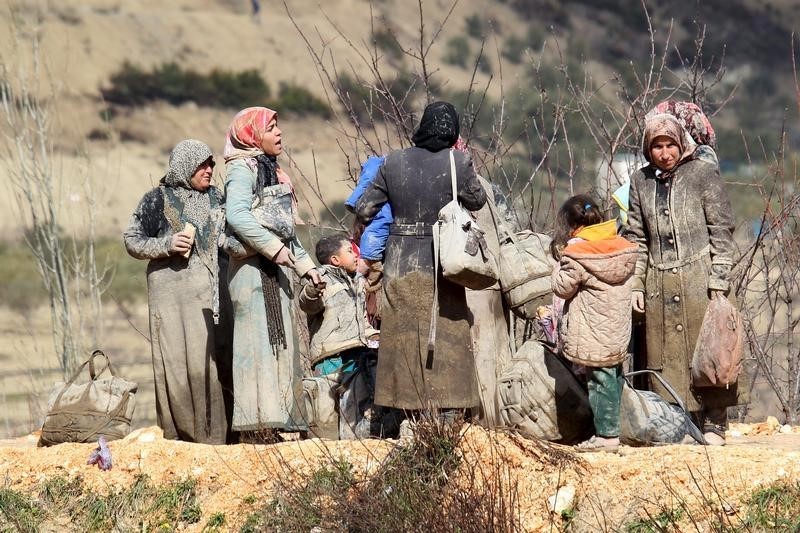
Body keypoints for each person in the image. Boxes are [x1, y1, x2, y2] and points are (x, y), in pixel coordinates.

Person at [354, 101, 486, 424]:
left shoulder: (392, 162)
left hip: (400, 263)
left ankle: (400, 413)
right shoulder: (459, 162)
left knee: (402, 336)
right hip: (443, 263)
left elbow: (363, 209)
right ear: (453, 131)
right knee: (448, 334)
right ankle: (448, 410)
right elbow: (478, 199)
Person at [624, 113, 737, 446]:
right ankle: (676, 424)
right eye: (656, 146)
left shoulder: (703, 175)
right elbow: (637, 238)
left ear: (681, 143)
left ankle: (714, 423)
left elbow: (721, 229)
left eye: (669, 144)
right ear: (648, 148)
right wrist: (636, 284)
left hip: (698, 282)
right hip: (659, 286)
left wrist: (719, 279)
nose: (664, 152)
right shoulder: (639, 182)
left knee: (709, 354)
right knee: (664, 358)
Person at [123, 139, 232, 444]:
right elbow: (132, 239)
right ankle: (182, 437)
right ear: (185, 166)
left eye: (211, 164)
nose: (210, 170)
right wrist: (165, 245)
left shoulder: (218, 198)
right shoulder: (156, 199)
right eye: (203, 164)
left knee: (215, 360)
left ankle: (220, 437)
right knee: (177, 363)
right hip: (171, 298)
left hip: (214, 296)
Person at [223, 106, 323, 437]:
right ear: (253, 135)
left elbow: (285, 232)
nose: (279, 133)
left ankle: (280, 421)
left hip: (275, 270)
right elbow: (237, 215)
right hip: (251, 271)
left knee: (281, 345)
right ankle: (258, 426)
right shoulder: (241, 169)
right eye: (271, 128)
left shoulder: (273, 171)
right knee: (257, 348)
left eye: (279, 126)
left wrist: (308, 268)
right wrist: (273, 248)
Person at [550, 195, 637, 452]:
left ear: (569, 224)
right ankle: (613, 428)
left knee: (598, 379)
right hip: (617, 327)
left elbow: (562, 287)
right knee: (613, 376)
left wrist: (557, 266)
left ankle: (606, 436)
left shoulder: (577, 253)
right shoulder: (619, 245)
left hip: (592, 328)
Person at [299, 234, 381, 439]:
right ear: (335, 260)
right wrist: (312, 290)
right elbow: (307, 303)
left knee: (352, 415)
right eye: (350, 251)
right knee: (325, 421)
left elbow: (362, 322)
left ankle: (350, 456)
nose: (356, 255)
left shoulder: (357, 283)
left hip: (356, 355)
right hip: (330, 358)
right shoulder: (320, 279)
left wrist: (377, 335)